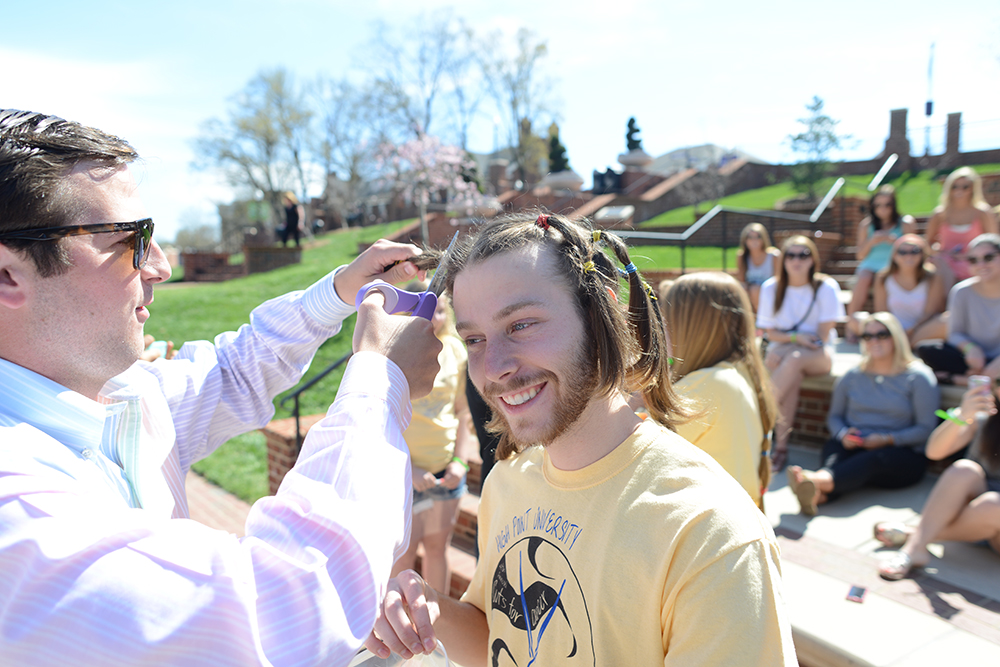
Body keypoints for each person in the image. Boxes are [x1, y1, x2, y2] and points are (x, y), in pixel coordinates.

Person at [0, 109, 442, 666]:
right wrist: (381, 380)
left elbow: (232, 371)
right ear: (8, 274)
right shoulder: (17, 509)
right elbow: (277, 613)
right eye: (129, 238)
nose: (160, 266)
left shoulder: (123, 397)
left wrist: (338, 291)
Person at [365, 212, 797, 666]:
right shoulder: (507, 483)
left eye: (521, 324)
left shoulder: (709, 534)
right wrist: (430, 609)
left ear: (598, 312)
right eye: (474, 339)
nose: (494, 367)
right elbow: (501, 639)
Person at [786, 313, 939, 516]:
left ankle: (812, 480)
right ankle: (820, 494)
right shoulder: (852, 375)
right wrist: (843, 435)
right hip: (854, 447)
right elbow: (835, 417)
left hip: (899, 454)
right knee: (834, 447)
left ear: (896, 336)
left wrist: (887, 439)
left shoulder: (918, 377)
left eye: (882, 335)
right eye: (867, 336)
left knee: (872, 460)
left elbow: (926, 429)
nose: (874, 341)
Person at [662, 272, 779, 510]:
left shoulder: (705, 385)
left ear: (693, 327)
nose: (660, 328)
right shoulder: (737, 371)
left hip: (709, 521)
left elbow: (631, 453)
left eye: (667, 319)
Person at [392, 284, 475, 596]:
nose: (434, 318)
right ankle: (401, 619)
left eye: (439, 310)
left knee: (438, 550)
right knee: (403, 556)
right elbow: (383, 419)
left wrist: (460, 461)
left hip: (444, 475)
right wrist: (407, 470)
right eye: (425, 310)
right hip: (403, 478)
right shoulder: (394, 351)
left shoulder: (456, 351)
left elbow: (462, 411)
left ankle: (436, 618)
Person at [874, 379, 1000, 580]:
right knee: (964, 470)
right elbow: (934, 451)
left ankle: (914, 535)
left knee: (994, 504)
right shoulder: (987, 418)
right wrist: (963, 415)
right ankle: (914, 549)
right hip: (978, 509)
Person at [757, 235, 845, 471]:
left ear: (813, 259)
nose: (797, 260)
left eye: (803, 255)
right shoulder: (771, 287)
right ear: (783, 259)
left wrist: (788, 345)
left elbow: (821, 337)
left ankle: (757, 415)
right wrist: (793, 341)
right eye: (791, 255)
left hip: (818, 354)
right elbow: (769, 332)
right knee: (792, 375)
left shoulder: (825, 287)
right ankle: (781, 448)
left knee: (793, 359)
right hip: (785, 353)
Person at [916, 234, 1000, 385]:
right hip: (973, 360)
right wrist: (970, 348)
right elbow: (954, 333)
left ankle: (962, 379)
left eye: (988, 258)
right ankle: (986, 379)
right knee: (927, 350)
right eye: (973, 260)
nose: (981, 264)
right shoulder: (961, 291)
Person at [846, 186, 915, 326]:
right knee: (864, 277)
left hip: (894, 264)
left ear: (894, 205)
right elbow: (860, 255)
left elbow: (915, 249)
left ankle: (881, 324)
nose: (882, 209)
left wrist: (895, 242)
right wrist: (871, 241)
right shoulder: (866, 225)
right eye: (878, 205)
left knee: (880, 278)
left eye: (887, 205)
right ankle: (850, 323)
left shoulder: (905, 223)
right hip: (870, 263)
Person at [924, 167, 999, 293]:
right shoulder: (940, 214)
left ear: (973, 188)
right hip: (946, 263)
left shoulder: (983, 212)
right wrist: (942, 253)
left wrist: (971, 256)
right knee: (938, 269)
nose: (959, 190)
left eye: (965, 187)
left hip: (976, 262)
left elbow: (993, 243)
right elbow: (928, 243)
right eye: (955, 186)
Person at [870, 234, 947, 346]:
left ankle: (902, 347)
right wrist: (897, 331)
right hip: (893, 332)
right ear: (894, 255)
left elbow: (930, 312)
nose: (909, 255)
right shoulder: (883, 277)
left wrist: (912, 330)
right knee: (857, 319)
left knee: (947, 320)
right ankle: (901, 345)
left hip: (920, 330)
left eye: (914, 251)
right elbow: (882, 312)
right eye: (902, 252)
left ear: (922, 254)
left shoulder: (933, 276)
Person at [736, 222, 780, 311]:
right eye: (750, 237)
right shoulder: (742, 256)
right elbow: (741, 281)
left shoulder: (774, 256)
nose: (754, 240)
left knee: (755, 290)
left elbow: (778, 279)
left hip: (770, 294)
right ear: (745, 240)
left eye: (758, 237)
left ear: (763, 238)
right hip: (750, 294)